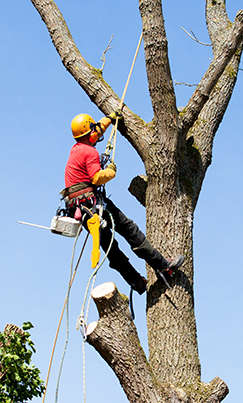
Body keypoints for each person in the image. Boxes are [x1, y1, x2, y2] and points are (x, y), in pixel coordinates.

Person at [62, 113, 185, 294]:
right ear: (90, 135)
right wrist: (110, 171)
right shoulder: (89, 152)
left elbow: (97, 129)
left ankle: (137, 282)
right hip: (94, 204)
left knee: (110, 247)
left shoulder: (76, 149)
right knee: (129, 229)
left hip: (81, 210)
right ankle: (163, 265)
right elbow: (97, 177)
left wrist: (110, 119)